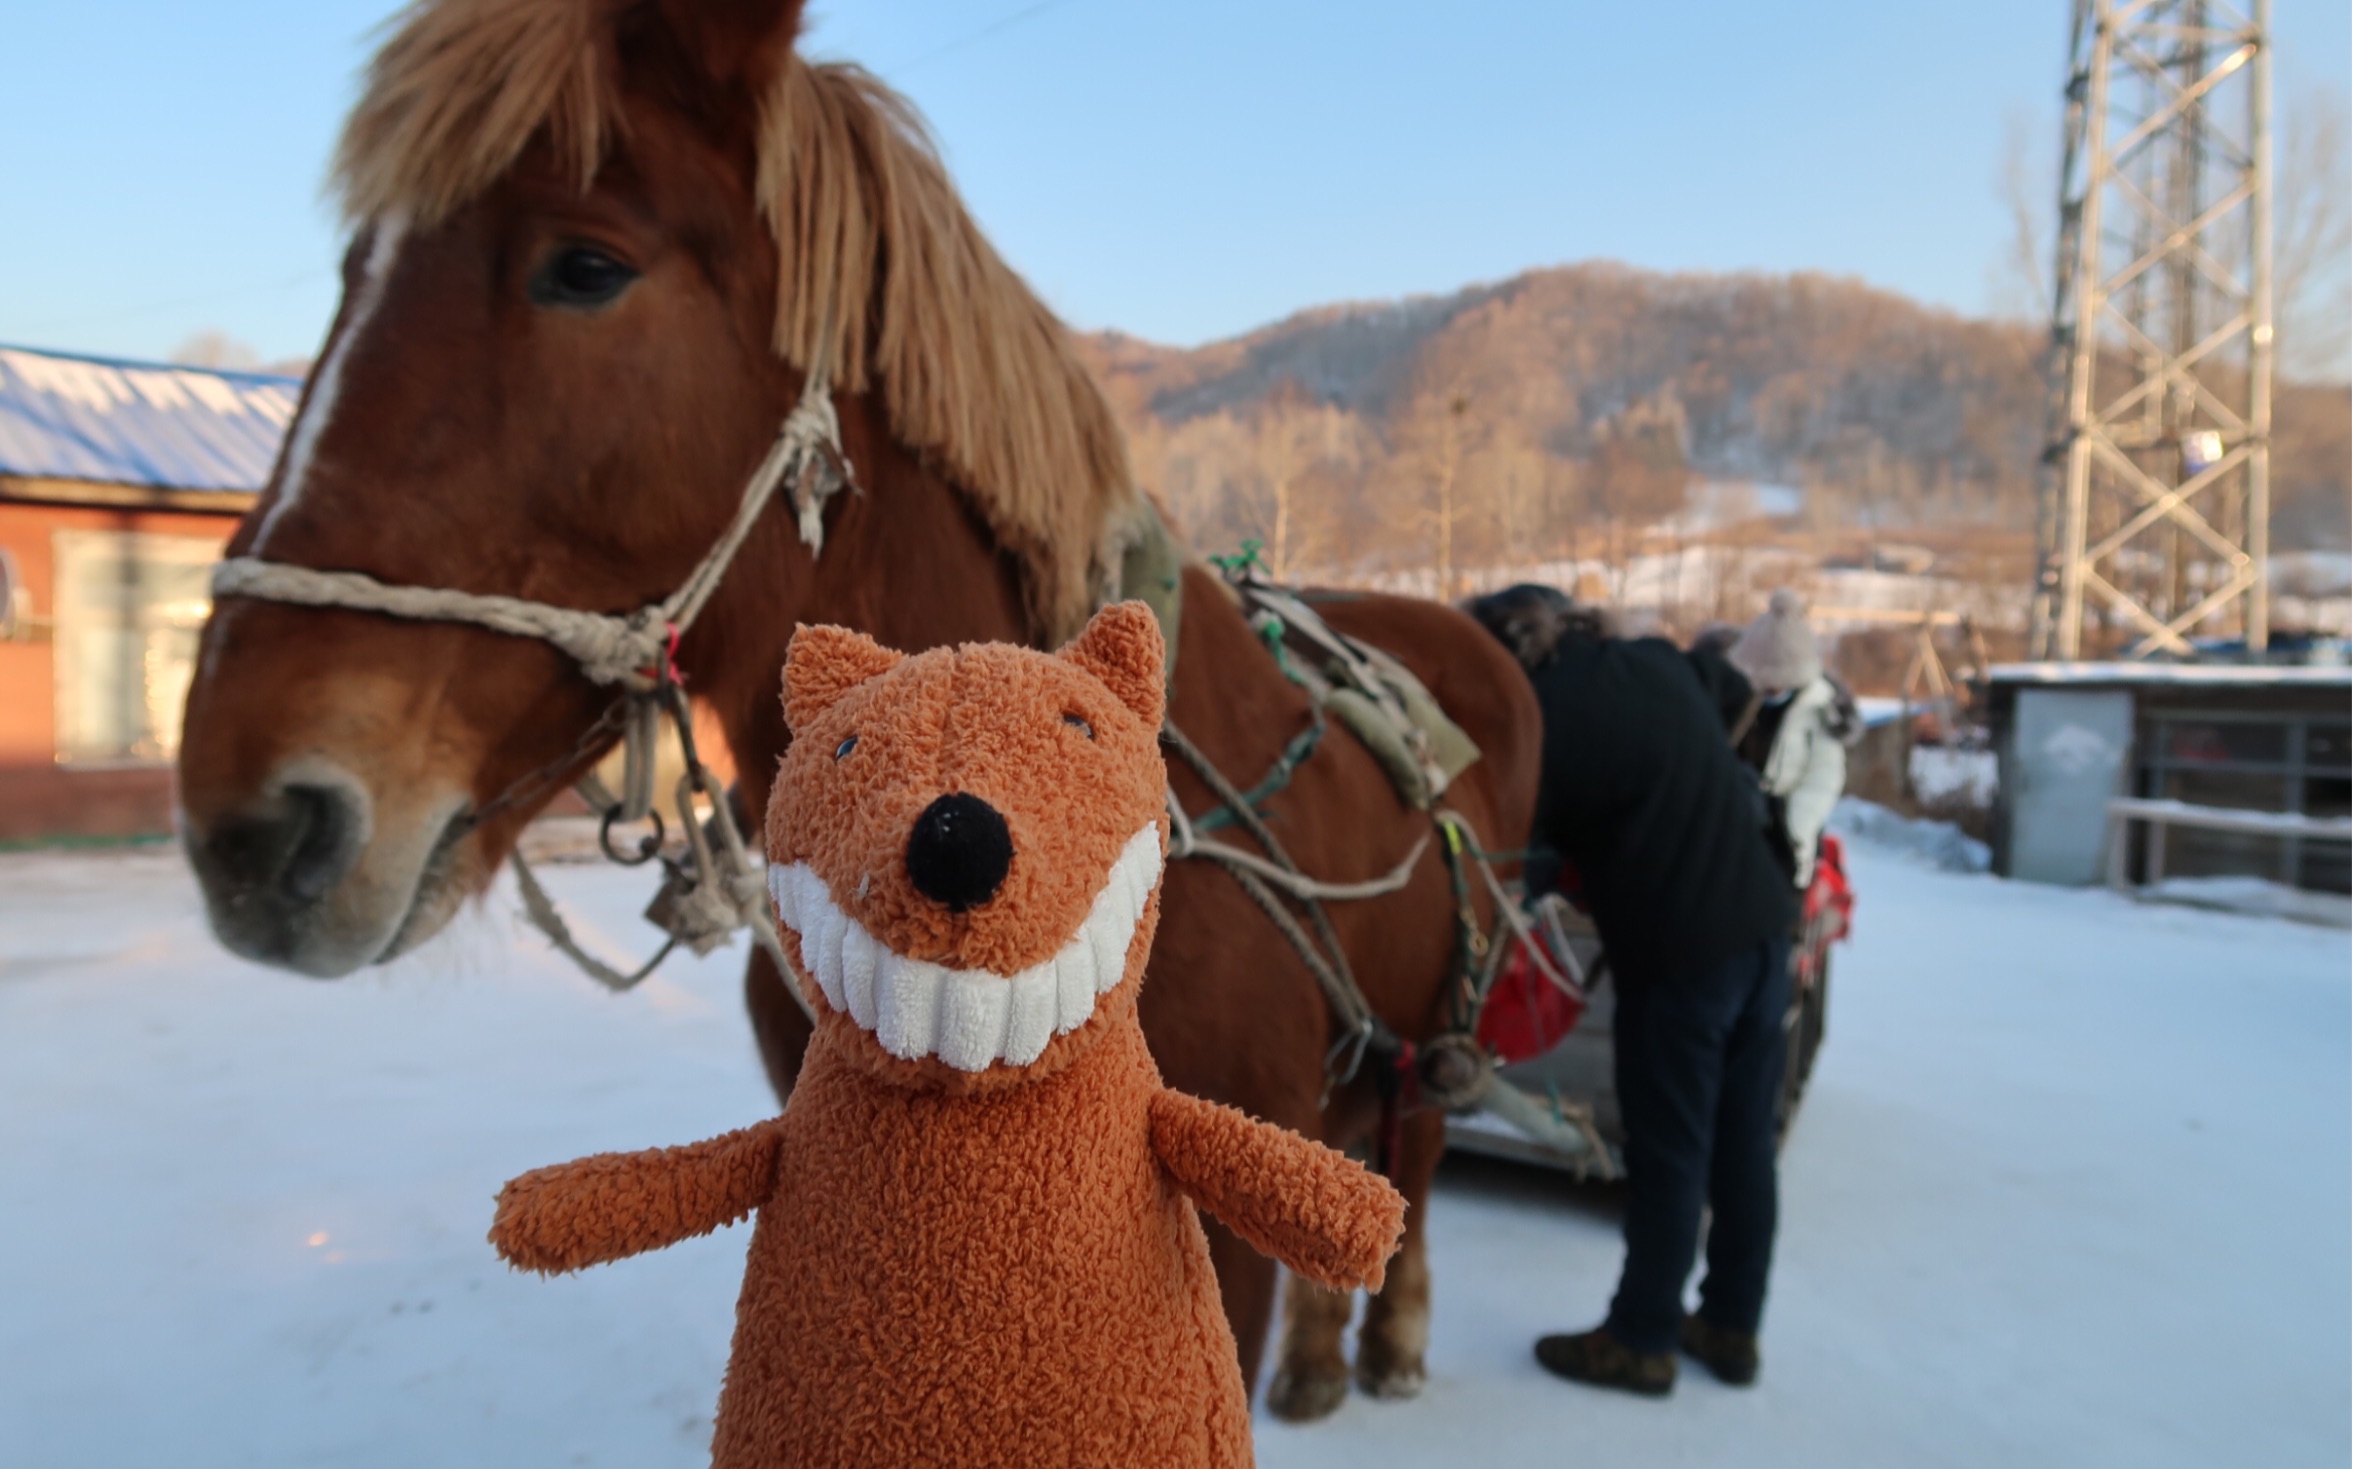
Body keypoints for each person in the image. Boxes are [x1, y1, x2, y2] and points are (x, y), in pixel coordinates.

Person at [1463, 585, 1796, 1397]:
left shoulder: (1534, 718)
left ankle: (1641, 1337)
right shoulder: (1654, 660)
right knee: (1742, 1144)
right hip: (1763, 926)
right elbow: (1733, 690)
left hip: (1680, 956)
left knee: (1670, 1150)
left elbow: (1516, 854)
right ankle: (1728, 1324)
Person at [1727, 590, 1857, 888]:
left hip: (1782, 848)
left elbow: (1822, 780)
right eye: (1763, 683)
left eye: (1778, 683)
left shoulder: (1821, 709)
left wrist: (1791, 833)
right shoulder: (1735, 700)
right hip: (1728, 836)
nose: (1771, 690)